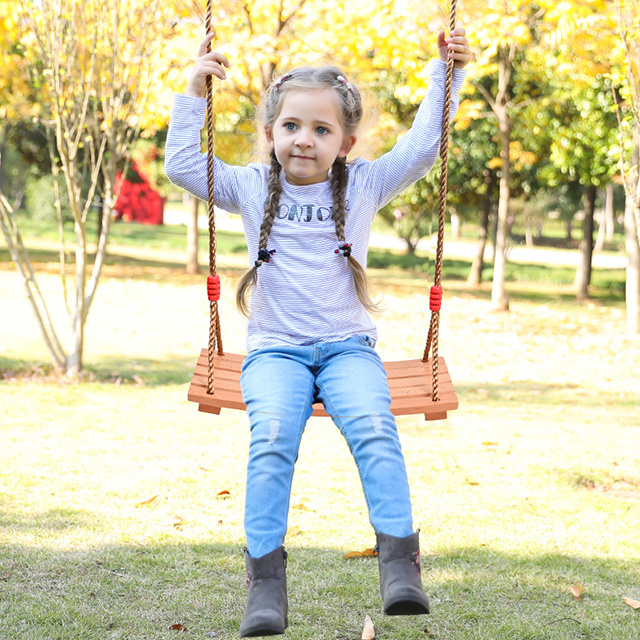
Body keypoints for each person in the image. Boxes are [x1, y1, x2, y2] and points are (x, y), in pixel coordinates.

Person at [165, 27, 470, 638]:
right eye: (292, 126)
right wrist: (193, 91)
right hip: (275, 351)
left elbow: (424, 145)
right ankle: (266, 587)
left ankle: (400, 567)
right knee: (271, 439)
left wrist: (447, 73)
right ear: (272, 132)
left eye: (321, 129)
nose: (304, 139)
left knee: (376, 431)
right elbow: (180, 165)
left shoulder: (362, 185)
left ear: (346, 141)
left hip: (348, 349)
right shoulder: (250, 186)